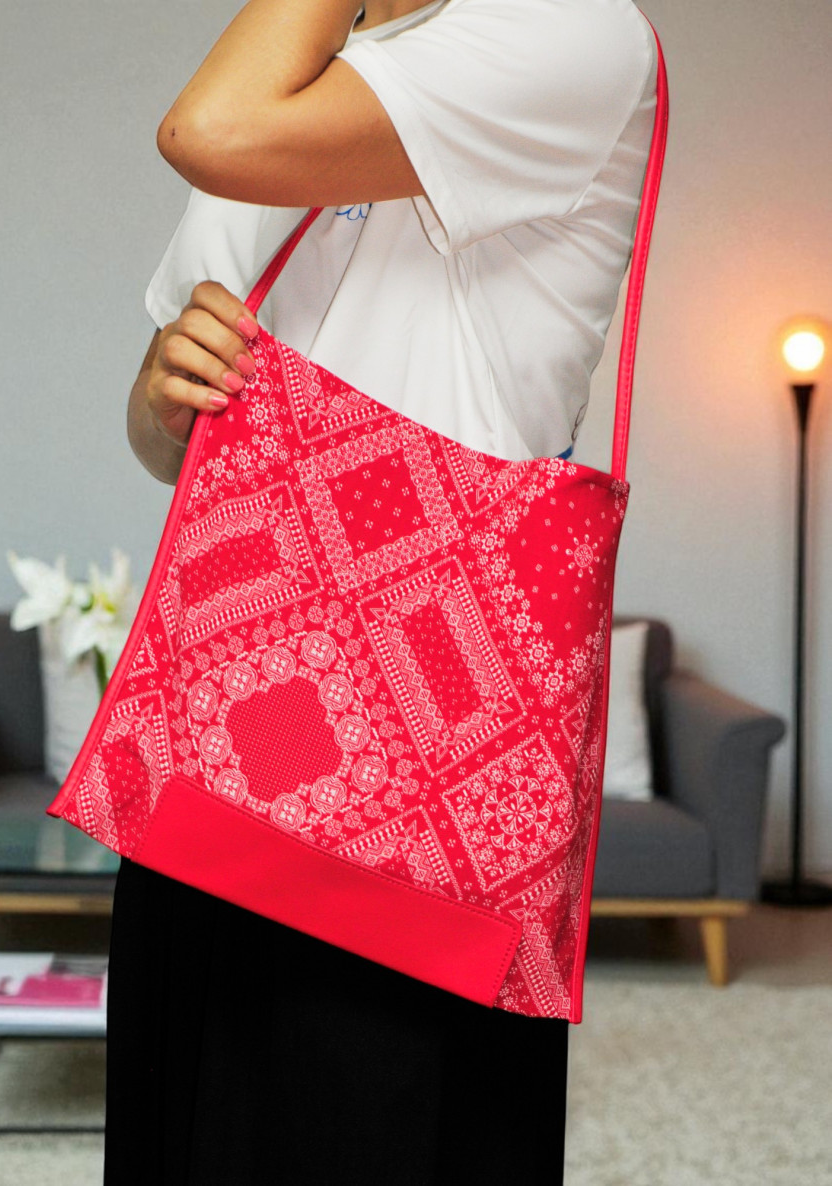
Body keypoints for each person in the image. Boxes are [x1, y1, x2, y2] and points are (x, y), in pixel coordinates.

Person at [107, 1, 658, 1182]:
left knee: (375, 1116)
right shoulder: (301, 71)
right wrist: (160, 393)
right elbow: (170, 443)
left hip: (422, 780)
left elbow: (207, 129)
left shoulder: (563, 28)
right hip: (218, 734)